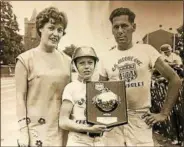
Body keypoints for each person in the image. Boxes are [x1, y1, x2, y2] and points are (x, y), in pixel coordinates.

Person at [99, 7, 182, 146]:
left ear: (133, 27)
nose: (120, 31)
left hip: (140, 117)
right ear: (112, 30)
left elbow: (175, 79)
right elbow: (100, 91)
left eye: (124, 26)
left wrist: (163, 114)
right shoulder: (105, 57)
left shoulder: (146, 50)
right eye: (116, 27)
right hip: (114, 120)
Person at [15, 7, 71, 147]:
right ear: (40, 28)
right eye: (51, 28)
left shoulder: (68, 61)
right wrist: (23, 131)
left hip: (61, 129)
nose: (56, 34)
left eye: (59, 30)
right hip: (36, 130)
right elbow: (19, 98)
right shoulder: (25, 60)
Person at [59, 46, 108, 146]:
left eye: (90, 62)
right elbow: (63, 121)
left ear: (95, 65)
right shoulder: (71, 87)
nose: (87, 66)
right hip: (78, 140)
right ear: (75, 66)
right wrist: (88, 128)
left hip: (99, 141)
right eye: (82, 63)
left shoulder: (102, 88)